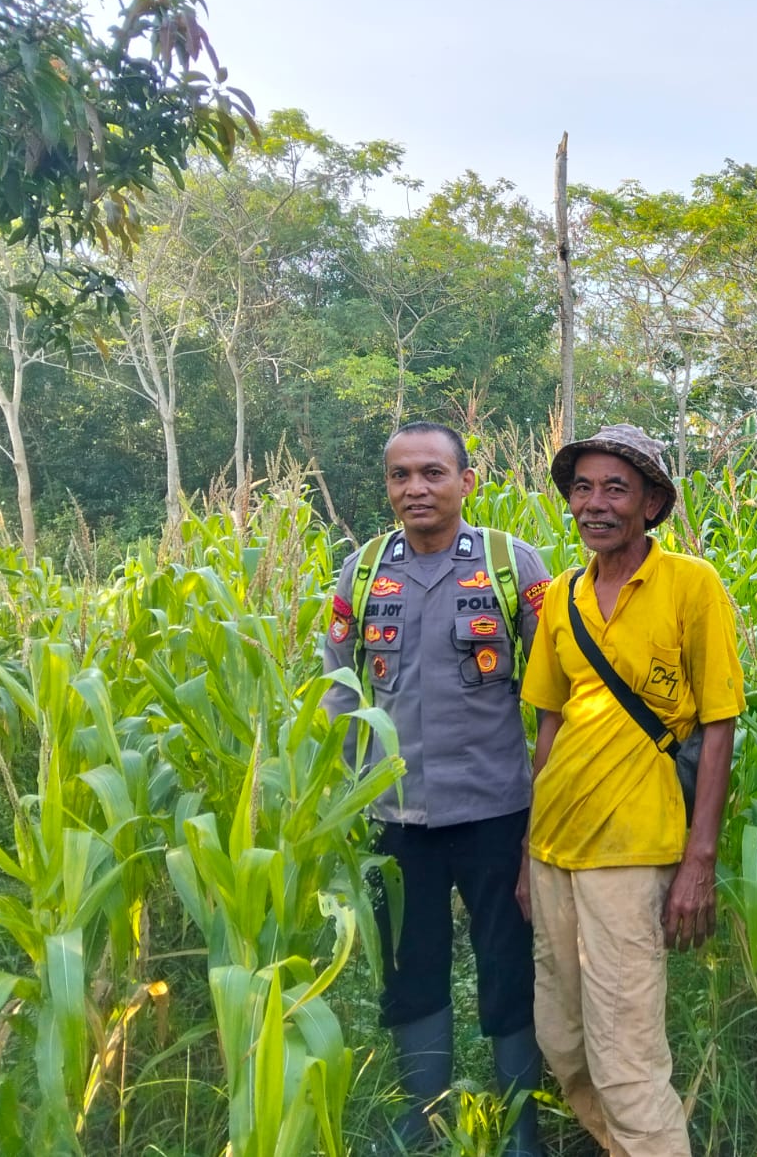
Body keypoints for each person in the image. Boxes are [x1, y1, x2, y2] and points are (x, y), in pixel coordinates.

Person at [516, 424, 744, 1157]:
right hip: (555, 846)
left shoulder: (690, 585)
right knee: (563, 1042)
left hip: (634, 847)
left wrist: (698, 860)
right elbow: (550, 724)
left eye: (616, 487)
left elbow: (718, 726)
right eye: (582, 487)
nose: (594, 503)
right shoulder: (563, 595)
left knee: (627, 1058)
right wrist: (527, 853)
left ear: (651, 502)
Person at [322, 421, 550, 1154]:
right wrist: (341, 793)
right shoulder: (361, 571)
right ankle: (423, 1122)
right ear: (386, 486)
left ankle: (520, 1129)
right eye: (399, 476)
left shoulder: (511, 564)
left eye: (431, 473)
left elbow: (556, 693)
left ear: (465, 482)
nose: (414, 488)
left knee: (509, 970)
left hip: (496, 813)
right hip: (396, 818)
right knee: (408, 971)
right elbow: (339, 692)